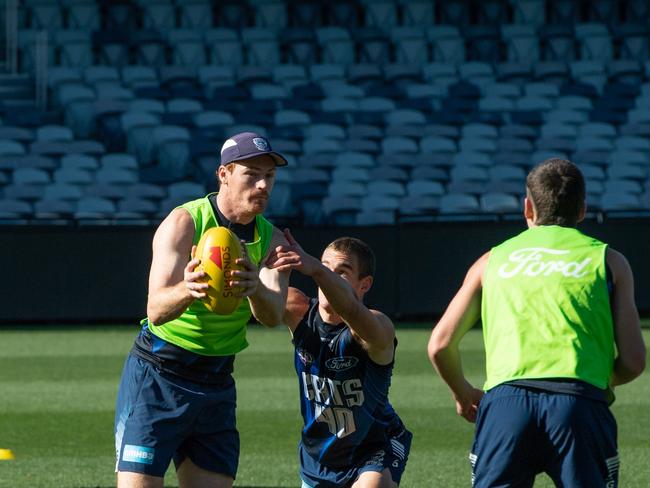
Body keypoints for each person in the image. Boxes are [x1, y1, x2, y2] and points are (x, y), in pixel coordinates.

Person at [428, 158, 646, 487]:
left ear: (528, 208)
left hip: (505, 407)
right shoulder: (610, 261)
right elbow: (633, 361)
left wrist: (463, 394)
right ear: (583, 210)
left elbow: (440, 345)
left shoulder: (491, 261)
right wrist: (593, 374)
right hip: (579, 404)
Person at [114, 132, 292, 488]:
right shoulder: (185, 222)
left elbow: (272, 317)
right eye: (251, 174)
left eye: (269, 177)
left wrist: (254, 288)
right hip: (159, 375)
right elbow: (155, 310)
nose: (262, 185)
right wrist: (189, 289)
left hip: (216, 383)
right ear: (223, 174)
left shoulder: (272, 239)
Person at [269, 232, 412, 488]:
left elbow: (349, 309)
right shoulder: (298, 309)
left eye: (342, 273)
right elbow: (262, 304)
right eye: (326, 268)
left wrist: (316, 269)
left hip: (373, 446)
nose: (329, 278)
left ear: (364, 285)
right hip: (319, 454)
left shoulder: (378, 326)